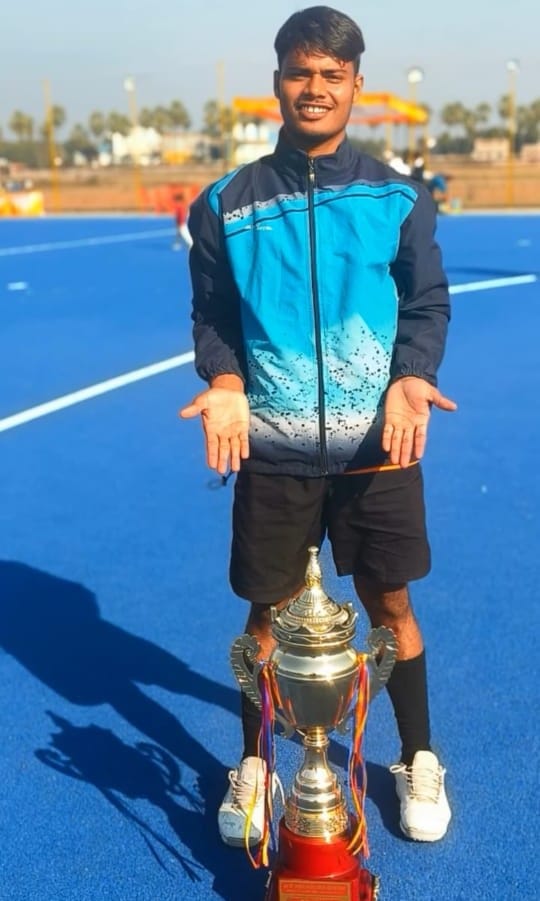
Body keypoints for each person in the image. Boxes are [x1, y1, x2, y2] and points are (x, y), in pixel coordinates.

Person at [180, 5, 457, 849]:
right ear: (278, 83)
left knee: (391, 605)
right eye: (301, 72)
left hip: (379, 447)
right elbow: (214, 315)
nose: (316, 87)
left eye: (332, 75)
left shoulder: (398, 198)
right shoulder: (225, 204)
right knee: (264, 618)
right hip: (274, 450)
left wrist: (412, 376)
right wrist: (226, 379)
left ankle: (418, 756)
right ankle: (257, 762)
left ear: (355, 86)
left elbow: (425, 303)